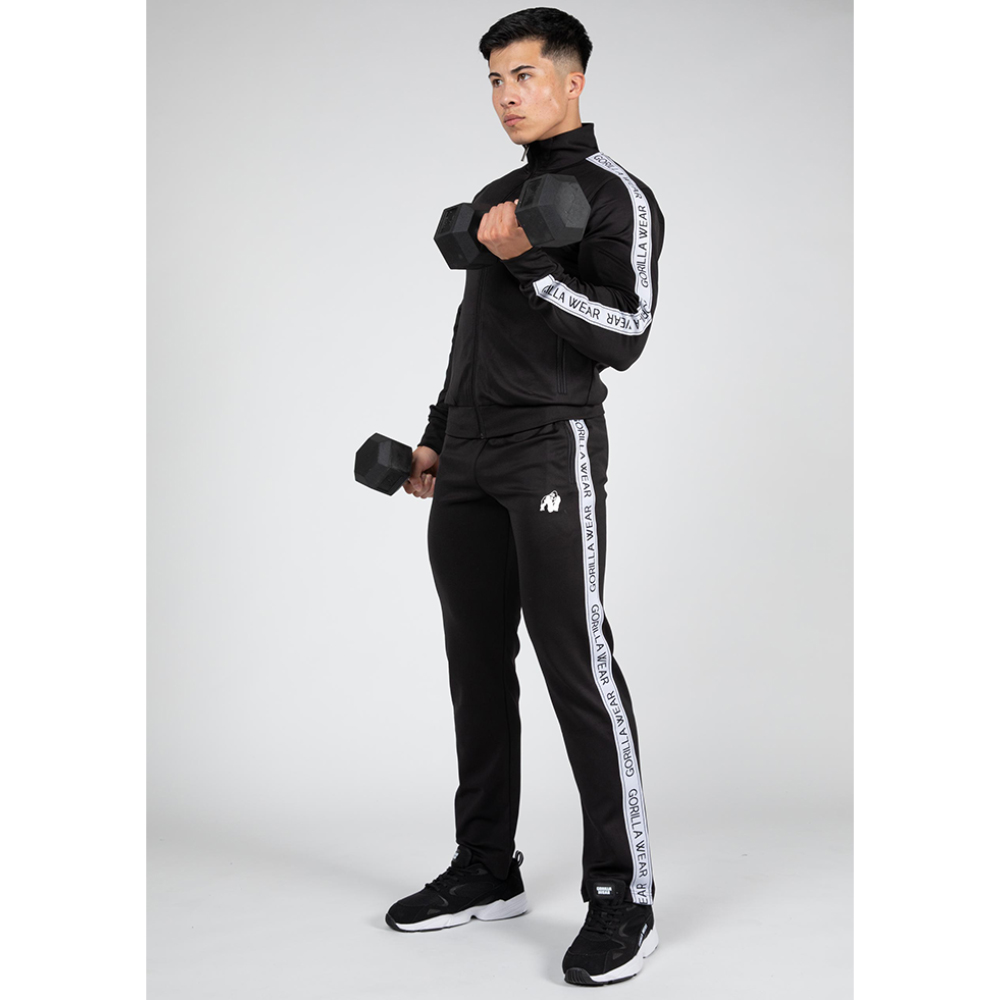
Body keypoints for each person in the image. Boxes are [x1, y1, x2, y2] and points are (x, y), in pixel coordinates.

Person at [384, 7, 665, 987]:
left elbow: (625, 335)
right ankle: (485, 865)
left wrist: (530, 262)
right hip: (467, 457)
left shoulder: (614, 193)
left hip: (551, 448)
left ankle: (622, 892)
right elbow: (474, 334)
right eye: (495, 81)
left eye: (524, 76)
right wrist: (436, 432)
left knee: (576, 661)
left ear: (572, 81)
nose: (507, 96)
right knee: (475, 664)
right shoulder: (496, 196)